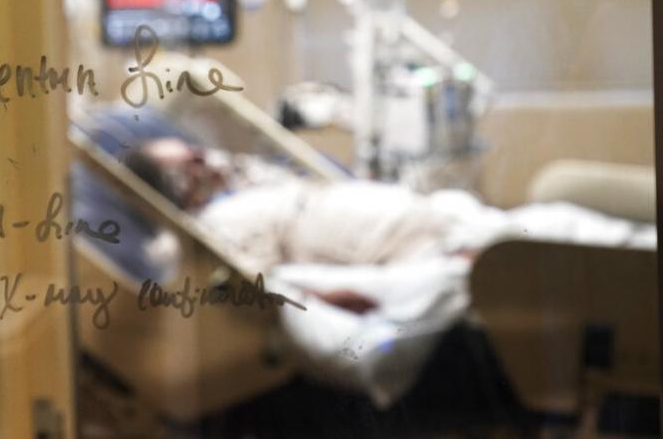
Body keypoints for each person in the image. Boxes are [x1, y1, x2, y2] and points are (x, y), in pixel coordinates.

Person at [123, 137, 654, 311]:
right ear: (177, 190)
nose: (205, 157)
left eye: (194, 148)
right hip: (429, 253)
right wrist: (331, 299)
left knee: (561, 218)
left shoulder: (253, 184)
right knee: (559, 251)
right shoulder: (217, 224)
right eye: (188, 163)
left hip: (448, 221)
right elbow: (256, 287)